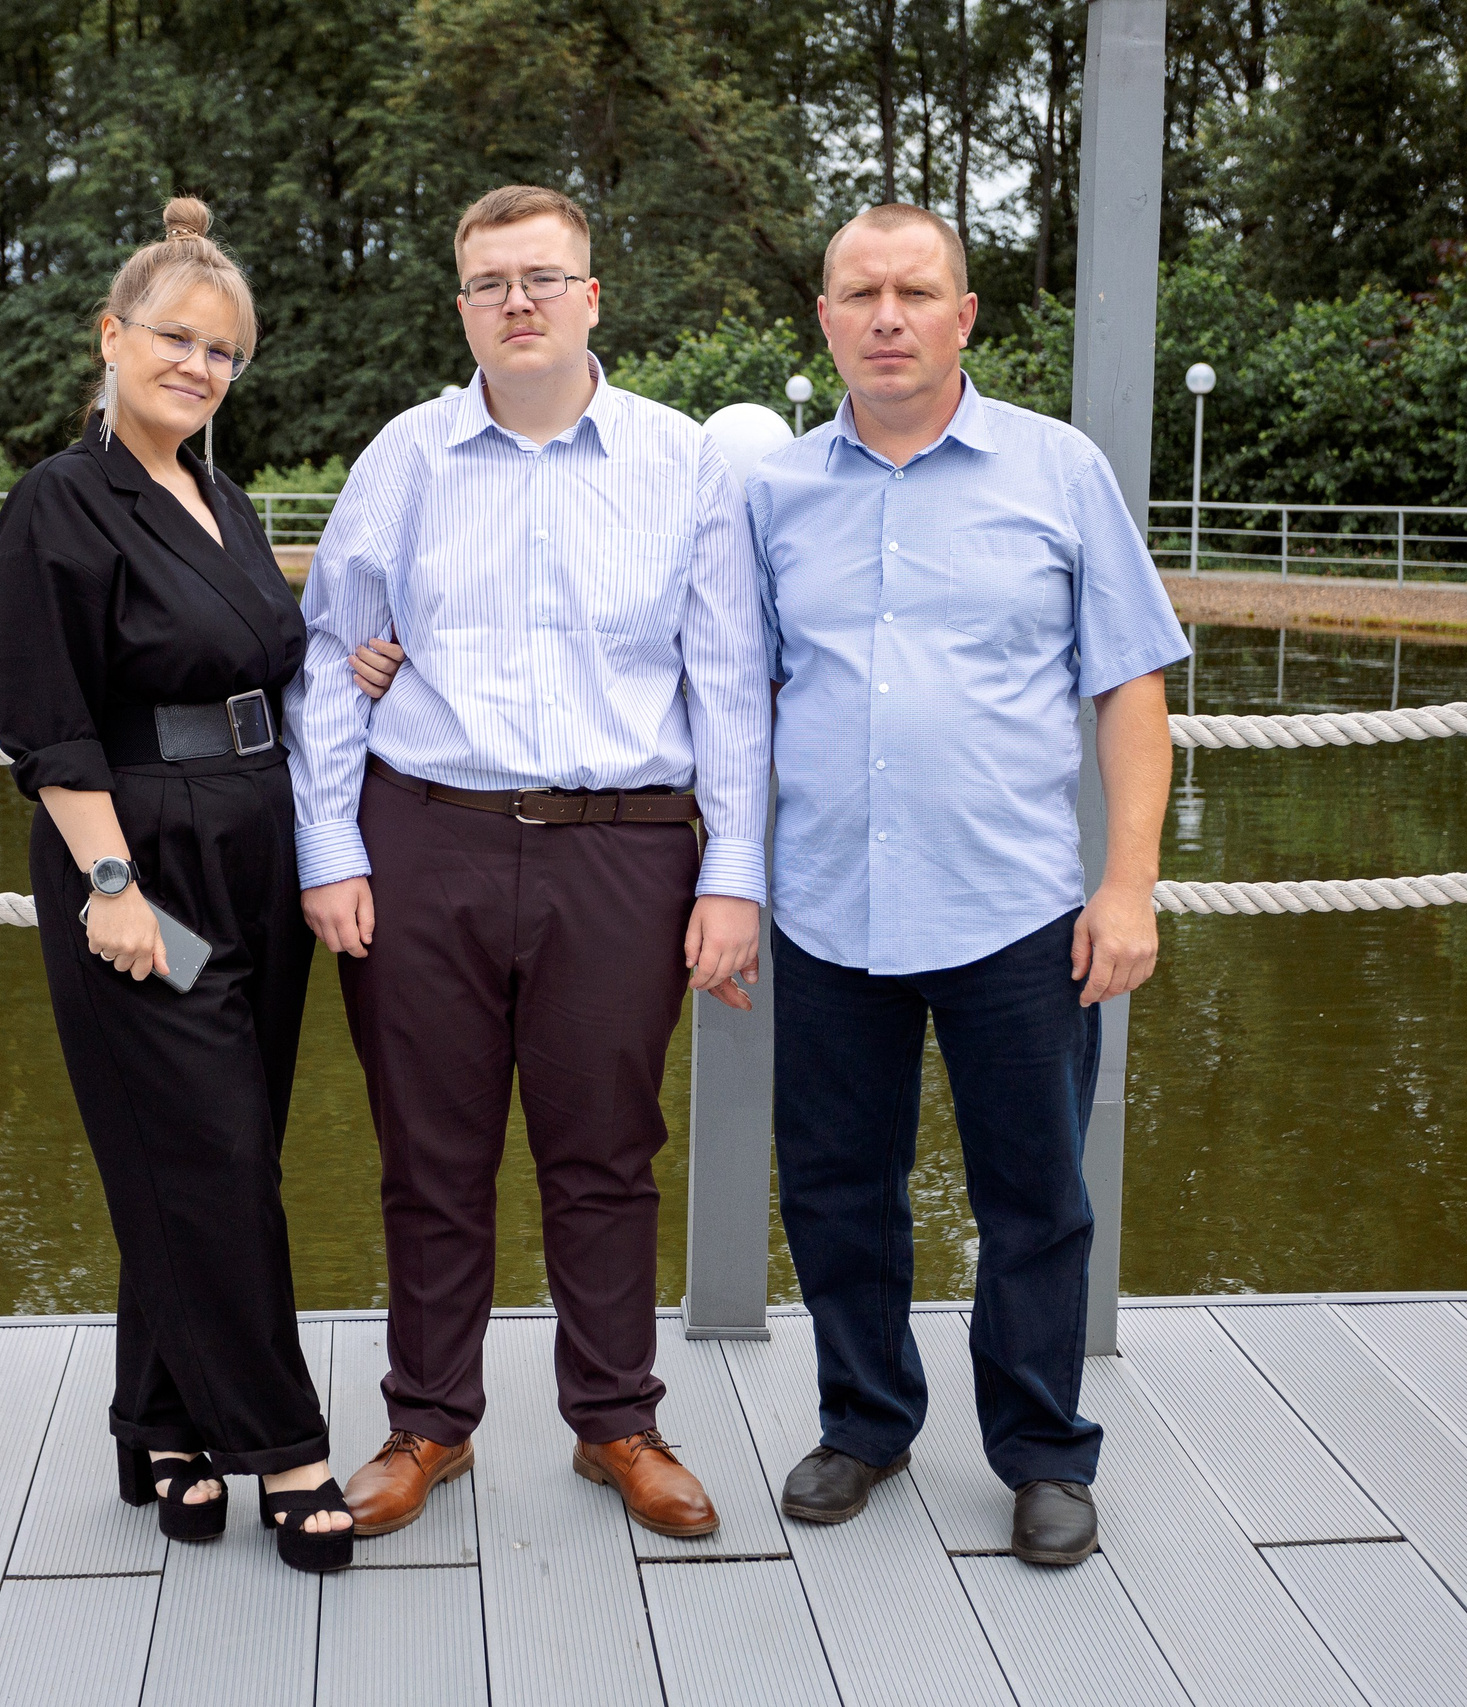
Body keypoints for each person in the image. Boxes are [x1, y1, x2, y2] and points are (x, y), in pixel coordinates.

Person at [287, 184, 771, 1541]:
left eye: (544, 277)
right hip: (423, 837)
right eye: (491, 281)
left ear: (593, 297)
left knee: (606, 1152)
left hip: (622, 855)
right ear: (461, 306)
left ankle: (615, 1421)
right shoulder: (407, 458)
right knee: (428, 1154)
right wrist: (329, 845)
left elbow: (732, 687)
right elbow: (335, 656)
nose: (518, 301)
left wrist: (734, 875)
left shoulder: (684, 466)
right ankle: (428, 1426)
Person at [744, 204, 1187, 1566]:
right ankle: (867, 1422)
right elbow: (720, 693)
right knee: (834, 1187)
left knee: (1036, 1198)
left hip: (1015, 915)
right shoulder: (772, 497)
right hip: (824, 908)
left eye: (914, 291)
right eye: (859, 292)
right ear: (823, 319)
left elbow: (1130, 689)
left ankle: (1044, 1453)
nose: (887, 315)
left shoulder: (1058, 475)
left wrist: (1128, 886)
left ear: (964, 315)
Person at [0, 196, 354, 1574]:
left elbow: (263, 655)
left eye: (224, 353)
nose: (199, 368)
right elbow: (47, 720)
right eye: (177, 340)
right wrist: (113, 884)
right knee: (205, 1153)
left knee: (216, 1150)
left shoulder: (227, 499)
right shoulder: (59, 505)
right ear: (115, 336)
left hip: (255, 847)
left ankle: (164, 1423)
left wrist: (349, 663)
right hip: (146, 861)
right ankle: (286, 1451)